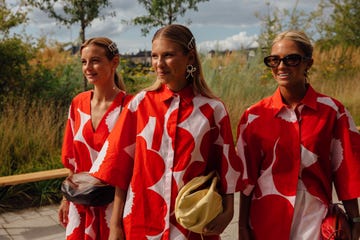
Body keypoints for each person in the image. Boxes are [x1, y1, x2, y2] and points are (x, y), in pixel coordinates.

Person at [89, 24, 242, 240]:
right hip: (141, 220)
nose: (158, 64)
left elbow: (226, 167)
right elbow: (120, 168)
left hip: (192, 223)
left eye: (168, 55)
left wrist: (229, 211)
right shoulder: (139, 104)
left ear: (190, 58)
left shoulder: (212, 109)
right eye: (154, 56)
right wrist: (115, 226)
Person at [236, 30, 360, 239]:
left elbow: (345, 172)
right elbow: (247, 181)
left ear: (307, 63)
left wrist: (355, 219)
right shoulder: (254, 116)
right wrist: (242, 227)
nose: (281, 66)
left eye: (291, 59)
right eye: (274, 60)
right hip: (266, 222)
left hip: (316, 223)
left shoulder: (333, 111)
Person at [58, 37, 131, 240]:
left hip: (115, 206)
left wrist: (116, 224)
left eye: (95, 60)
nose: (88, 67)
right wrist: (66, 199)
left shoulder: (130, 106)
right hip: (80, 203)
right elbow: (71, 157)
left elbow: (128, 168)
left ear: (114, 62)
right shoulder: (77, 103)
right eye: (84, 62)